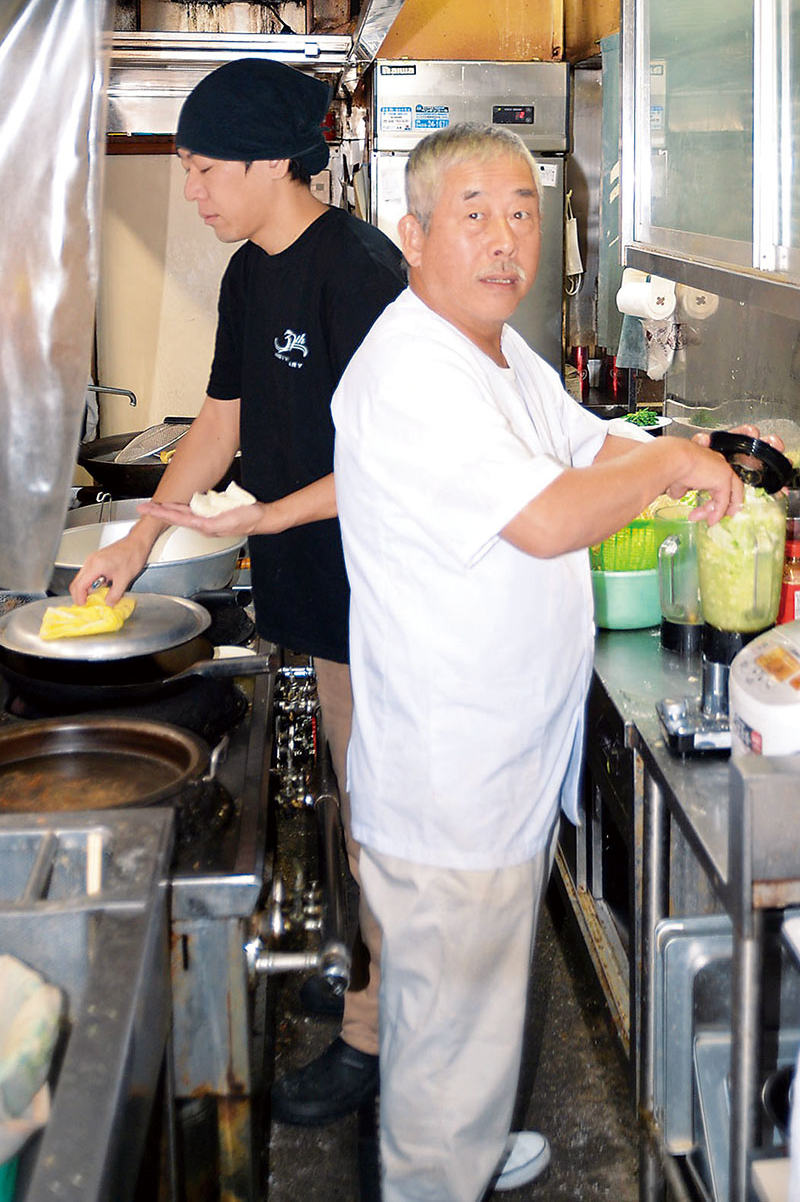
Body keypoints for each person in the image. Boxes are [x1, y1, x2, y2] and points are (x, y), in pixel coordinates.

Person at [330, 122, 744, 1200]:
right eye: (472, 216)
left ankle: (461, 1130)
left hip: (495, 761)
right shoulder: (412, 372)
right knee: (449, 1019)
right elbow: (552, 519)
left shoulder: (491, 349)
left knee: (467, 1009)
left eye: (521, 211)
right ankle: (437, 1169)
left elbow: (577, 445)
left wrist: (666, 464)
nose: (506, 238)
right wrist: (668, 461)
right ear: (411, 234)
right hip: (450, 781)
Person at [70, 57, 407, 1127]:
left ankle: (374, 1034)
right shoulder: (249, 274)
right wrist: (137, 542)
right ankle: (374, 974)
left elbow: (394, 460)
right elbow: (217, 428)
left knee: (384, 822)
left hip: (385, 596)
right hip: (313, 589)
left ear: (272, 162)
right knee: (361, 812)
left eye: (207, 168)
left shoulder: (359, 270)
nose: (194, 191)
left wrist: (253, 519)